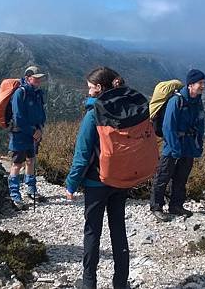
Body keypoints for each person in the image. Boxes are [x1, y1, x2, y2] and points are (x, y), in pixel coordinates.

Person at [65, 67, 129, 289]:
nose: (88, 91)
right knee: (118, 230)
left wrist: (71, 184)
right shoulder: (125, 109)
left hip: (96, 182)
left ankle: (89, 283)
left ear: (100, 88)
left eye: (91, 87)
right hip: (120, 180)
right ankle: (121, 283)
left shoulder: (93, 115)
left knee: (93, 231)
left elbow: (82, 155)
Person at [149, 69, 205, 221]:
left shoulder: (197, 102)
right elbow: (168, 126)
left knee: (181, 177)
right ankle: (156, 207)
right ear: (190, 85)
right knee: (163, 176)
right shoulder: (176, 101)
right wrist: (174, 148)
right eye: (200, 83)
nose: (203, 86)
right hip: (173, 146)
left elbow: (200, 123)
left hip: (188, 146)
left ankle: (176, 205)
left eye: (203, 83)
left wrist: (199, 144)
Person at [7, 66, 47, 209]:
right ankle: (14, 195)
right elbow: (18, 117)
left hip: (34, 133)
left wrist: (40, 129)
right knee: (17, 164)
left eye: (39, 78)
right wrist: (33, 131)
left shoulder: (37, 93)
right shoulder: (20, 93)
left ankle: (31, 190)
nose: (39, 80)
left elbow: (41, 113)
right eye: (36, 78)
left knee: (31, 161)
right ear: (28, 77)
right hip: (20, 134)